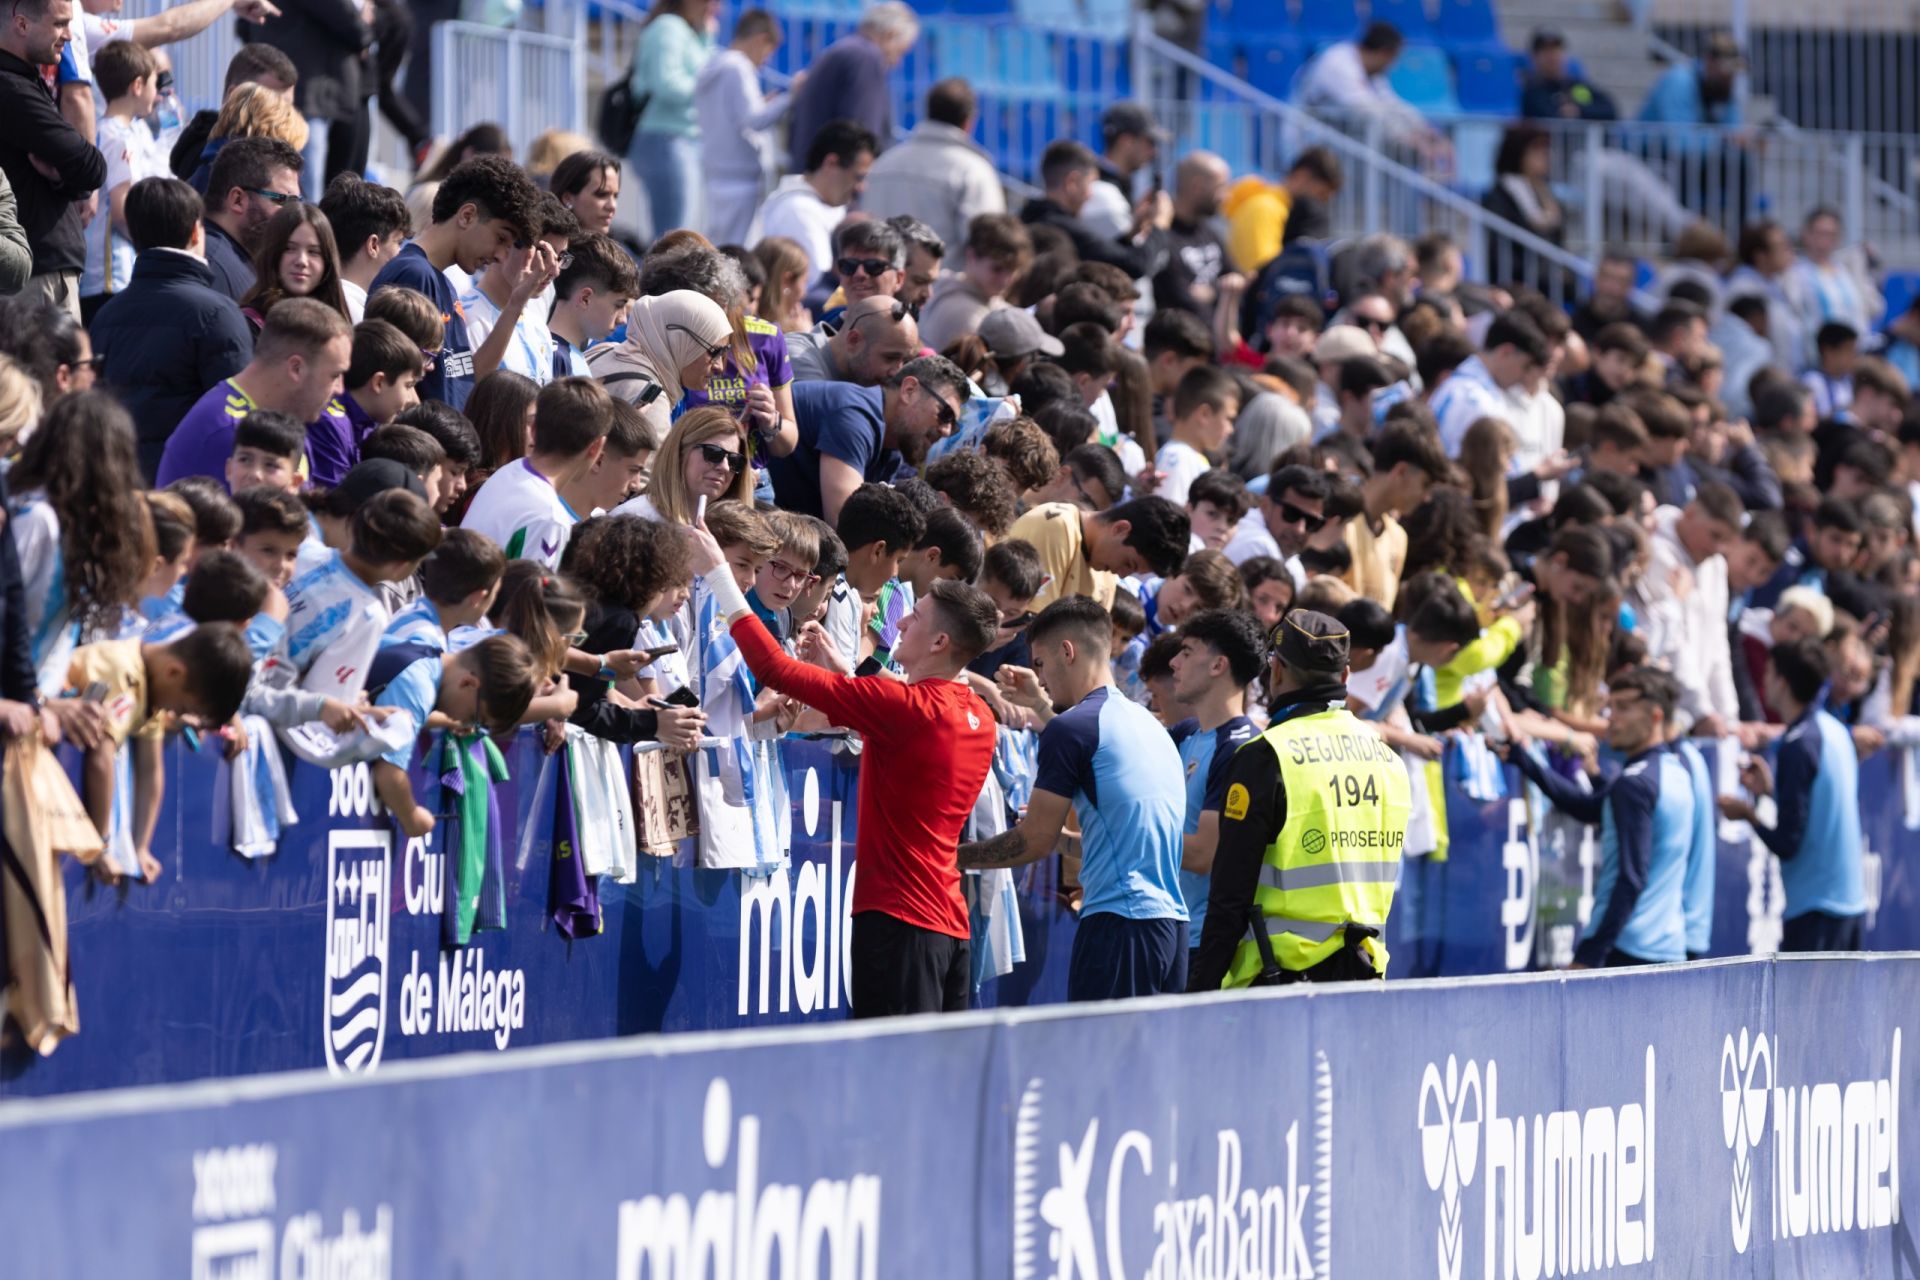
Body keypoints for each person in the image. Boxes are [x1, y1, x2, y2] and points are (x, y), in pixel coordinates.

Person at [685, 517, 997, 1016]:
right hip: (950, 929)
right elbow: (898, 720)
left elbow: (774, 670)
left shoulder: (905, 708)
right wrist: (846, 671)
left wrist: (721, 573)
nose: (898, 623)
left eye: (913, 617)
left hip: (899, 926)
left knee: (890, 1081)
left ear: (940, 643)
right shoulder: (979, 713)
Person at [961, 596, 1191, 1001]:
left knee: (1104, 1064)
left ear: (1067, 652)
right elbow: (1131, 835)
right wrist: (1036, 703)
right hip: (1171, 929)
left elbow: (1034, 840)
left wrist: (950, 856)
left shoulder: (1076, 730)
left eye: (1040, 664)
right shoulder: (1147, 724)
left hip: (1121, 927)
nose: (1041, 679)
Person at [1187, 609, 1413, 988]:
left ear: (1275, 673)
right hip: (1363, 976)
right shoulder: (1387, 758)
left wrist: (1201, 989)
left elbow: (1229, 895)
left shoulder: (1266, 755)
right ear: (1344, 677)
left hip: (1278, 980)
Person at [1504, 665, 1692, 966]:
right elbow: (1591, 808)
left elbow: (1629, 878)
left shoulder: (1635, 784)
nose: (1610, 719)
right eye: (1610, 707)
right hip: (1667, 947)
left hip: (1627, 948)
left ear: (1655, 716)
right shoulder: (1675, 773)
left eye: (1623, 708)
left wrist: (1590, 954)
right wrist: (1524, 760)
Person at [92, 177, 252, 478]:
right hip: (190, 491)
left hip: (121, 484)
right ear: (195, 231)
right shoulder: (218, 314)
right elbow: (236, 418)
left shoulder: (105, 316)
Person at [1718, 638, 1867, 950]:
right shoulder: (1835, 730)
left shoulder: (1797, 744)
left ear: (1783, 683)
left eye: (1769, 672)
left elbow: (1787, 843)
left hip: (1817, 910)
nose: (1764, 680)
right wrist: (1771, 791)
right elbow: (1821, 806)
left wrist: (1748, 816)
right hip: (1849, 905)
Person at [369, 155, 541, 411]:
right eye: (501, 238)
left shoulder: (443, 284)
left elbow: (464, 378)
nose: (500, 256)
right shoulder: (414, 275)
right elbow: (397, 388)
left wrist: (516, 303)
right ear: (467, 215)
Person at [157, 297, 352, 486]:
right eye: (335, 376)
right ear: (296, 368)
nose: (340, 390)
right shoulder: (233, 435)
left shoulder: (281, 423)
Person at [1164, 608, 1261, 960]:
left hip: (1202, 943)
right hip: (1173, 931)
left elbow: (1202, 854)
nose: (1174, 662)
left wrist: (1126, 832)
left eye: (1187, 652)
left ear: (1218, 666)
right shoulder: (1188, 732)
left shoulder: (1239, 748)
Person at [369, 633, 537, 837]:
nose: (467, 724)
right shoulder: (417, 687)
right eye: (474, 717)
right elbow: (388, 774)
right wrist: (411, 816)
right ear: (468, 683)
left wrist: (447, 721)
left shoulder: (424, 653)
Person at [1, 0, 106, 318]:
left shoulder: (23, 81)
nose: (69, 36)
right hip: (35, 281)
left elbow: (83, 174)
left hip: (42, 270)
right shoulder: (10, 89)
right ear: (22, 24)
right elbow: (92, 167)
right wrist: (71, 174)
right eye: (60, 23)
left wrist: (62, 176)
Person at [774, 354, 968, 522]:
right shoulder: (854, 415)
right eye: (945, 415)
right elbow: (845, 526)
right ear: (909, 390)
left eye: (954, 425)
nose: (946, 430)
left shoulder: (890, 449)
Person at [459, 376, 614, 568]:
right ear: (597, 447)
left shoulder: (507, 472)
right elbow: (527, 595)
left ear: (533, 429)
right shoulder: (550, 517)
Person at [861, 78, 1005, 259]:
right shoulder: (972, 171)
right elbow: (990, 246)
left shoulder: (882, 164)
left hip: (881, 281)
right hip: (941, 285)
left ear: (928, 112)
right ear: (969, 121)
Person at [250, 0, 369, 198]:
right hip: (309, 97)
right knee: (305, 198)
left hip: (299, 92)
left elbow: (245, 26)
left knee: (298, 192)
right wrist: (365, 27)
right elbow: (349, 21)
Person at [584, 287, 732, 443]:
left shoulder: (606, 350)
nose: (719, 366)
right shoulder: (652, 399)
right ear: (678, 340)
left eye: (724, 352)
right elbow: (650, 467)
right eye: (714, 352)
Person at [694, 9, 788, 248]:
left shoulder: (715, 64)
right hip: (740, 177)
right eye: (768, 53)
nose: (765, 62)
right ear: (761, 40)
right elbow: (754, 120)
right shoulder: (738, 67)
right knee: (736, 255)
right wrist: (792, 96)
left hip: (717, 173)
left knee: (719, 249)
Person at [785, 1, 918, 169]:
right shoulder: (866, 58)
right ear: (890, 35)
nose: (897, 62)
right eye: (901, 52)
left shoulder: (843, 50)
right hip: (834, 183)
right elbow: (862, 135)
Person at [1011, 495, 1190, 612]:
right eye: (1128, 563)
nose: (1122, 574)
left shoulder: (1107, 578)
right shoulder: (1056, 526)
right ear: (1120, 529)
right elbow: (1028, 629)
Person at [625, 0, 712, 240]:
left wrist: (705, 36)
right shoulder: (669, 27)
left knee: (675, 235)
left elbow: (703, 71)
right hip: (665, 139)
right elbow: (666, 84)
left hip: (678, 139)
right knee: (671, 238)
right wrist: (708, 90)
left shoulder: (686, 31)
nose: (717, 7)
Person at [759, 120, 879, 291]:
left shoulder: (824, 205)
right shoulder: (798, 211)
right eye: (858, 177)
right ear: (831, 163)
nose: (862, 187)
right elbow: (821, 283)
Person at [1021, 139, 1167, 278]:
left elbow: (1108, 256)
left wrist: (1133, 231)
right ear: (1072, 182)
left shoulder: (1027, 216)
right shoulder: (1063, 228)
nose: (1091, 195)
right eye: (1091, 184)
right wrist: (1159, 224)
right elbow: (1133, 265)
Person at [1295, 21, 1446, 156]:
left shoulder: (1374, 73)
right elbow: (1365, 110)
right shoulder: (1338, 63)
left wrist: (1424, 129)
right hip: (1303, 139)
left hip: (1334, 143)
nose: (1392, 66)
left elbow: (1391, 103)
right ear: (1383, 53)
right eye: (1393, 59)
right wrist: (1405, 137)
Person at [1346, 420, 1448, 610]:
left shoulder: (1397, 538)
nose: (1427, 498)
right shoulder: (1341, 521)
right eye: (1425, 484)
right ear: (1401, 472)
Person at [197, 135, 302, 302]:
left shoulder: (231, 258)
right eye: (282, 200)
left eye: (296, 202)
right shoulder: (210, 266)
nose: (293, 213)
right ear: (238, 200)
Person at [1430, 312, 1550, 455]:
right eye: (1525, 367)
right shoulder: (1475, 401)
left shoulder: (1466, 388)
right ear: (1506, 352)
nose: (1524, 378)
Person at [1222, 147, 1343, 277]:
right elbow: (1262, 270)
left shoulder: (1279, 207)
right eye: (1321, 194)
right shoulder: (1265, 208)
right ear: (1302, 176)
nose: (1321, 203)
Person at [917, 214, 1029, 352]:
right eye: (997, 269)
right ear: (972, 255)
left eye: (1012, 270)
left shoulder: (953, 284)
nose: (1005, 280)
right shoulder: (965, 315)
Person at [1482, 125, 1569, 297]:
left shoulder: (1547, 194)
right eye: (1537, 149)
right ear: (1518, 152)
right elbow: (1499, 249)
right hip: (1516, 284)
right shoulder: (1501, 195)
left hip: (1548, 283)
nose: (1546, 155)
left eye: (1547, 149)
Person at [238, 201, 351, 333]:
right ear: (273, 253)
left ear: (327, 261)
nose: (301, 261)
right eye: (289, 249)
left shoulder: (340, 329)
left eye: (313, 252)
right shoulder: (249, 324)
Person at [1151, 151, 1231, 320]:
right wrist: (1222, 290)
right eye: (1221, 188)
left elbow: (1237, 278)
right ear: (1197, 186)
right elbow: (1178, 295)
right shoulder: (1162, 236)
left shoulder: (1210, 233)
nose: (1226, 196)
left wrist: (1213, 291)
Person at [546, 234, 638, 380]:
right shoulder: (558, 359)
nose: (622, 320)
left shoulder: (565, 355)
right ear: (585, 298)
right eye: (618, 305)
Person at [319, 173, 409, 323]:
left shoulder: (315, 299)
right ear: (373, 245)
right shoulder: (360, 319)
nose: (401, 253)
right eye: (398, 242)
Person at [1152, 365, 1240, 506]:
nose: (1231, 429)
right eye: (1228, 419)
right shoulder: (1179, 460)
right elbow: (1169, 522)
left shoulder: (1187, 458)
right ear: (1204, 414)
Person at [786, 294, 919, 386]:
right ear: (853, 341)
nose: (897, 372)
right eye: (890, 358)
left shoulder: (864, 377)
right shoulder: (797, 358)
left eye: (905, 361)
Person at [1081, 101, 1165, 241]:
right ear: (1126, 141)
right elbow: (1128, 256)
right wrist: (1160, 223)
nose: (1154, 152)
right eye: (1150, 142)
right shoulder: (1100, 189)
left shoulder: (1109, 182)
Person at [1521, 29, 1618, 121]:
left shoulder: (1577, 86)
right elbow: (1544, 113)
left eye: (1556, 50)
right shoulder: (1533, 90)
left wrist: (1579, 110)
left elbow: (1609, 109)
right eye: (1545, 51)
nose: (1552, 56)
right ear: (1534, 57)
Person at [548, 149, 622, 239]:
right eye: (601, 195)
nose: (612, 206)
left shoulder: (624, 247)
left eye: (615, 196)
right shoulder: (544, 249)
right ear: (568, 198)